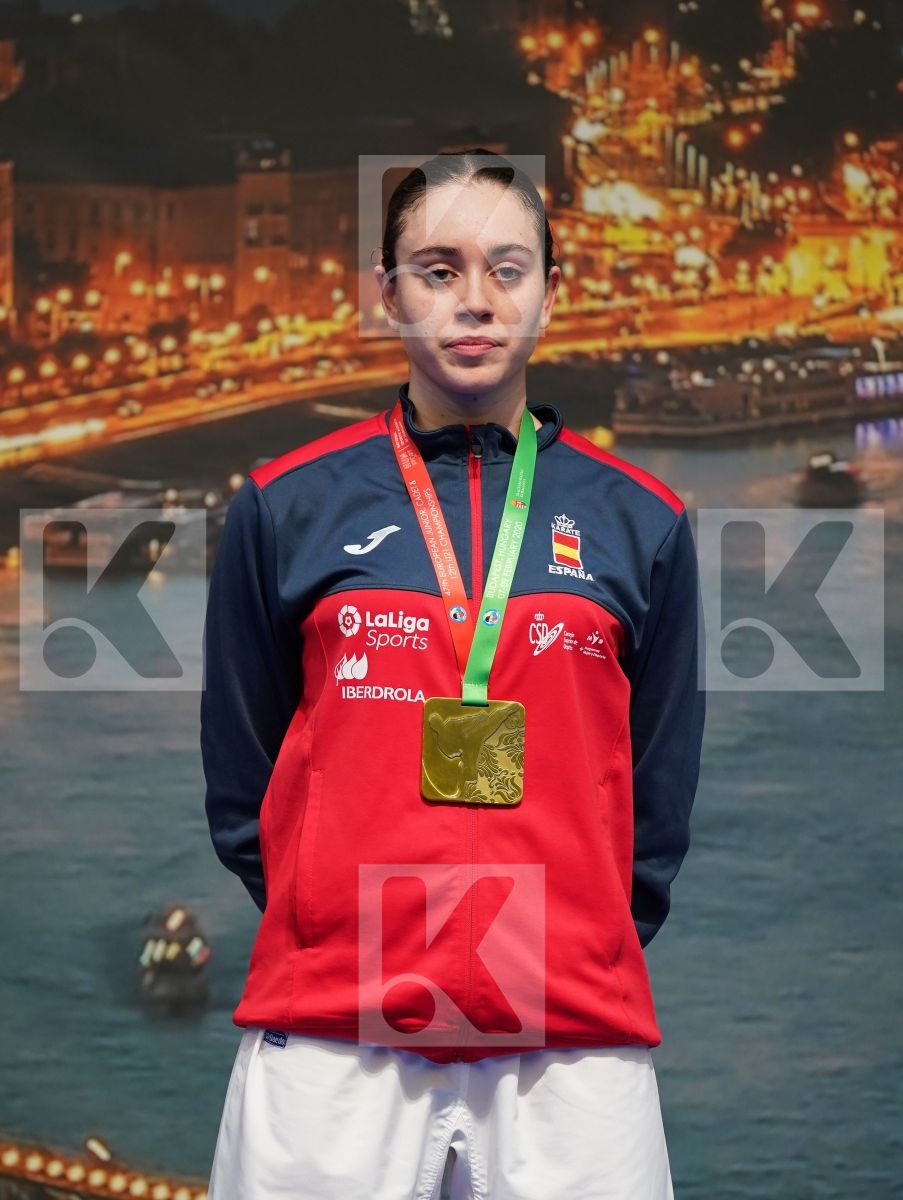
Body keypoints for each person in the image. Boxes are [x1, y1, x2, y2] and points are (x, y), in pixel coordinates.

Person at [200, 148, 706, 1199]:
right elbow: (242, 779)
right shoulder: (283, 506)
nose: (474, 301)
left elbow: (656, 795)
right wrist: (330, 912)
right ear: (386, 294)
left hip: (573, 1028)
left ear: (552, 294)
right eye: (436, 270)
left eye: (507, 269)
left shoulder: (642, 521)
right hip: (334, 1022)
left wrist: (578, 930)